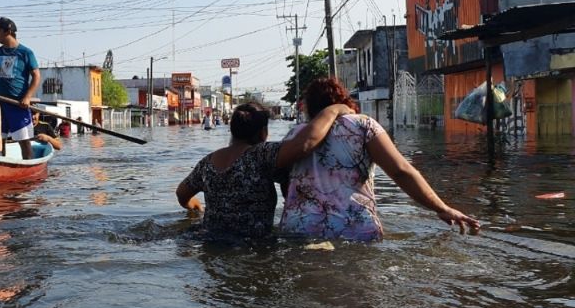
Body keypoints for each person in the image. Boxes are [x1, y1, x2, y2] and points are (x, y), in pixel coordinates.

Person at [278, 77, 481, 241]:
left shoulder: (294, 135)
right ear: (344, 102)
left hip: (300, 229)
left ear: (309, 107)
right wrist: (442, 208)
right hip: (354, 230)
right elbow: (401, 171)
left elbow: (284, 181)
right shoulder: (363, 125)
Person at [176, 101, 352, 240]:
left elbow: (181, 194)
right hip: (253, 245)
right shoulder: (261, 154)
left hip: (211, 241)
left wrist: (197, 208)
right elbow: (305, 143)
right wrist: (332, 111)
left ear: (233, 130)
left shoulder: (207, 162)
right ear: (263, 133)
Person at [0, 17, 40, 160]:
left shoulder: (25, 53)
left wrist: (27, 97)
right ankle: (2, 166)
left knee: (24, 141)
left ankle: (28, 168)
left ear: (8, 31)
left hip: (18, 104)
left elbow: (36, 76)